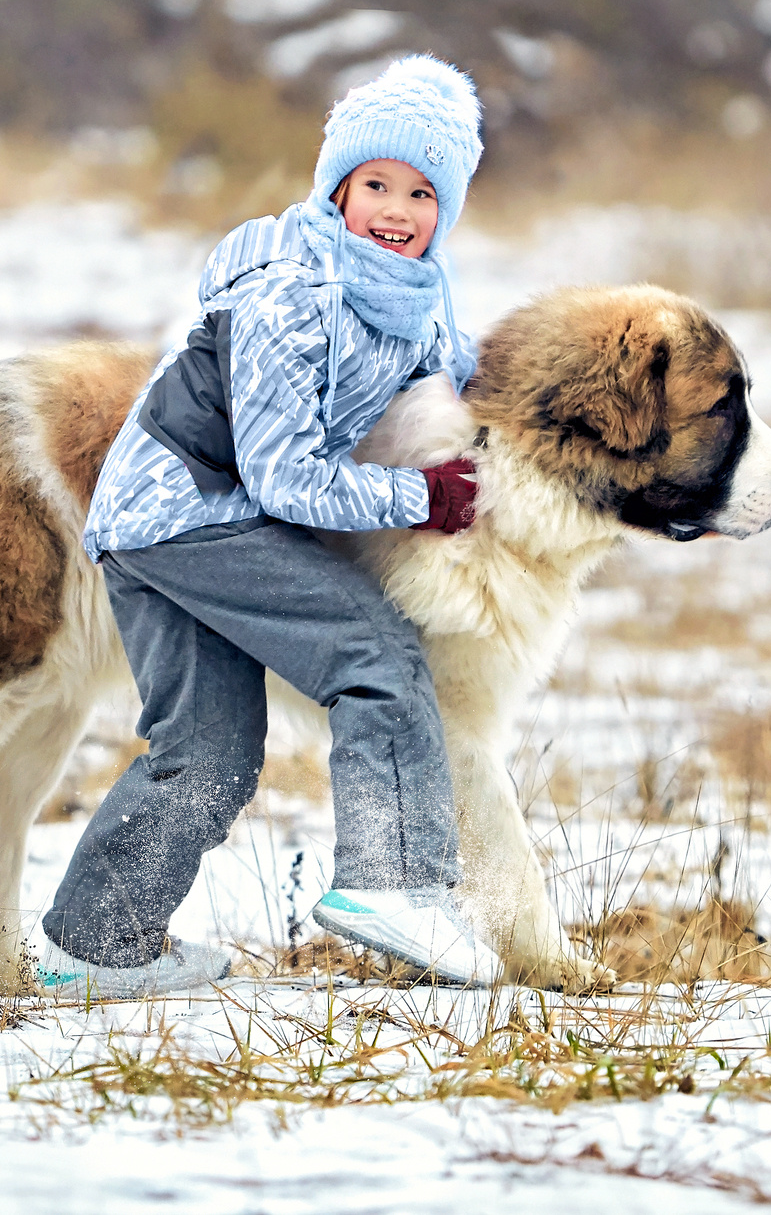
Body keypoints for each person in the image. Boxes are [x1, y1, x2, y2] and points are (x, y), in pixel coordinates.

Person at [35, 55, 503, 994]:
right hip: (192, 511)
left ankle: (94, 946)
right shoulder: (293, 290)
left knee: (207, 748)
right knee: (376, 654)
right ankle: (393, 883)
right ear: (337, 188)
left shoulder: (413, 293)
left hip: (152, 522)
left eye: (422, 193)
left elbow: (457, 366)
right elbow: (283, 476)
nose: (396, 210)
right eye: (375, 184)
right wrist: (424, 499)